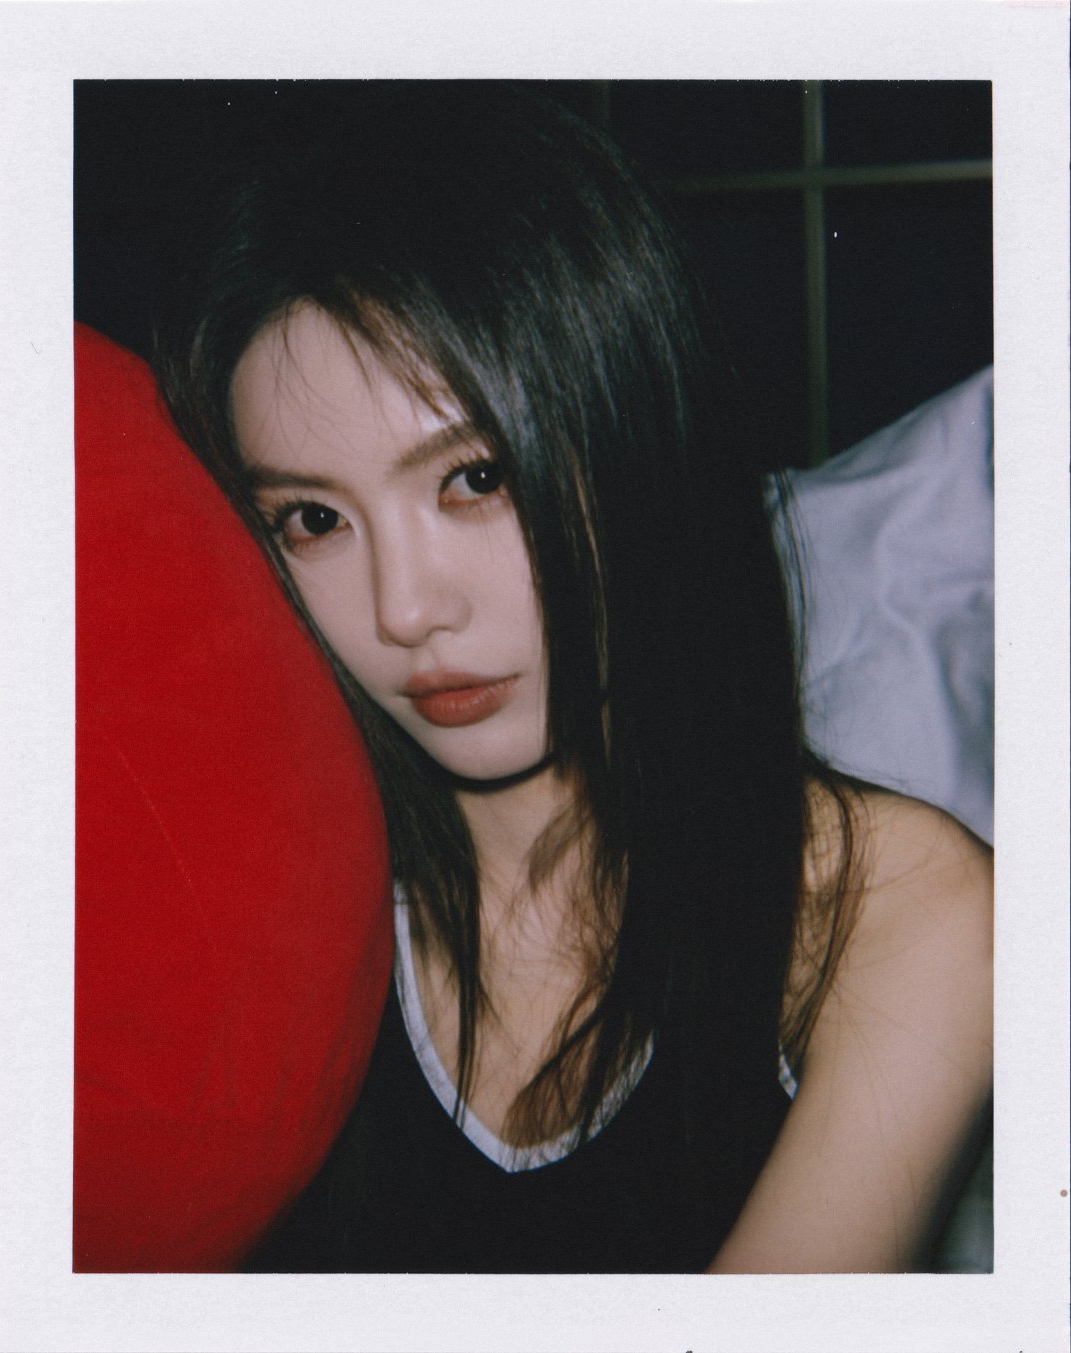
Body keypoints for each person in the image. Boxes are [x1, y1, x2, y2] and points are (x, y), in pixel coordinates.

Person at [152, 82, 991, 1273]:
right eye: (314, 519)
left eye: (476, 479)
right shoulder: (251, 893)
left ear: (636, 436)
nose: (407, 610)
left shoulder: (885, 906)